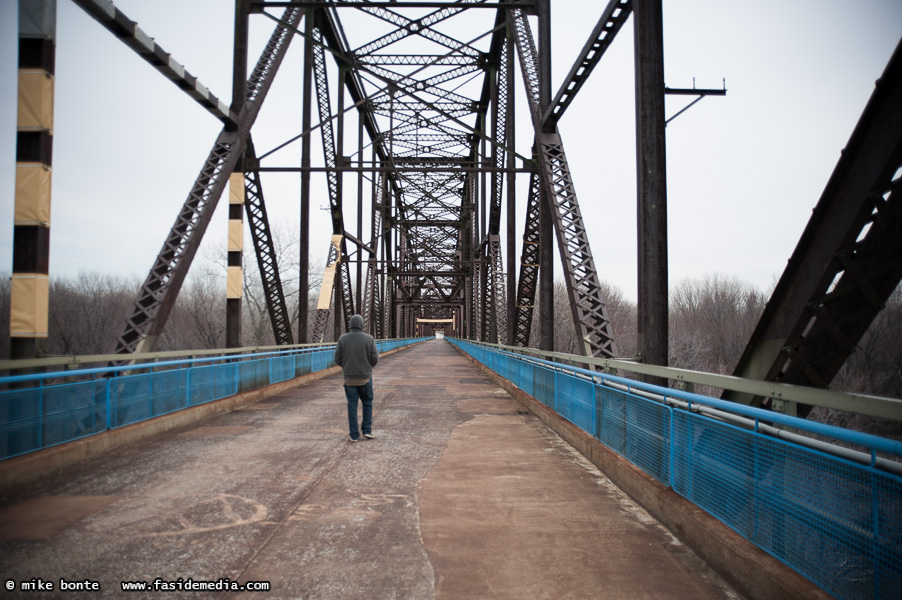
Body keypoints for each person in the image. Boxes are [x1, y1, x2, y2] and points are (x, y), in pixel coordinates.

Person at [333, 314, 379, 442]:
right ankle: (367, 431)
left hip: (349, 379)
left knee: (352, 405)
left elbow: (337, 359)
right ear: (361, 324)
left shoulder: (343, 339)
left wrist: (347, 367)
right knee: (367, 403)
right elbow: (375, 358)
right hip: (365, 377)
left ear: (351, 325)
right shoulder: (368, 338)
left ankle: (354, 435)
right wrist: (367, 368)